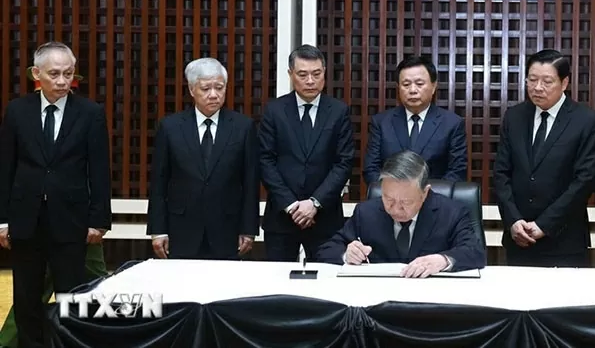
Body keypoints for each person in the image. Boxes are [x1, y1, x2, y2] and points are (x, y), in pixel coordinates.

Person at [0, 41, 112, 348]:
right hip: (26, 221)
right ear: (37, 74)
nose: (62, 81)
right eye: (54, 74)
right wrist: (2, 221)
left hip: (71, 222)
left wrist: (99, 220)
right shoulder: (17, 111)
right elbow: (5, 167)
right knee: (26, 298)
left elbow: (99, 171)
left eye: (68, 73)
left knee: (71, 299)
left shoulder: (90, 113)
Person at [493, 49, 595, 267]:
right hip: (519, 239)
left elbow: (584, 181)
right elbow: (501, 173)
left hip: (563, 241)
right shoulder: (514, 117)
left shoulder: (586, 121)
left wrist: (544, 225)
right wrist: (514, 221)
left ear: (564, 83)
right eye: (532, 80)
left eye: (547, 81)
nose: (537, 88)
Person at [146, 57, 260, 260]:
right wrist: (158, 230)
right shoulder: (171, 127)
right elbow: (159, 183)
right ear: (192, 90)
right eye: (206, 89)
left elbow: (250, 182)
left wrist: (249, 229)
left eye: (219, 87)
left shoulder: (243, 127)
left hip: (227, 229)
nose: (214, 95)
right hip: (181, 229)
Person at [317, 150, 486, 276]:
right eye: (388, 199)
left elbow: (475, 252)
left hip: (431, 301)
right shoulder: (366, 212)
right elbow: (326, 250)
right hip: (377, 302)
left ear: (425, 193)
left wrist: (442, 260)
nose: (396, 208)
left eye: (405, 202)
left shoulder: (451, 213)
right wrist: (347, 254)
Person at [258, 44, 355, 261]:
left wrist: (315, 203)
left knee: (326, 284)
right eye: (303, 74)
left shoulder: (339, 111)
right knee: (277, 284)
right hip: (282, 217)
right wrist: (293, 206)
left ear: (324, 73)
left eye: (316, 74)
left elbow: (344, 162)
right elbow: (265, 161)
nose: (310, 80)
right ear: (291, 74)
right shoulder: (274, 110)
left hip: (326, 217)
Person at [362, 56, 467, 185]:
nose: (412, 90)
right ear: (398, 88)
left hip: (435, 200)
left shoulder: (452, 124)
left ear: (434, 87)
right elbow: (371, 169)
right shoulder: (382, 122)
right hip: (391, 201)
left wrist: (423, 198)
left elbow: (457, 172)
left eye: (419, 84)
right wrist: (394, 196)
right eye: (406, 84)